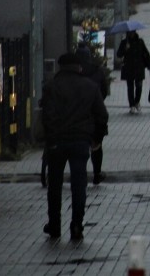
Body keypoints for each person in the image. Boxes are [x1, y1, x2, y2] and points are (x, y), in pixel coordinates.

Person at [41, 52, 108, 241]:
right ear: (79, 68)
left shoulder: (51, 87)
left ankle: (54, 225)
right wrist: (96, 138)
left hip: (57, 142)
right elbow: (102, 115)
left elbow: (46, 116)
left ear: (61, 67)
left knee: (55, 185)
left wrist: (50, 138)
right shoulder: (90, 87)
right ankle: (77, 224)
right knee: (79, 185)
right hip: (80, 141)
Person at [76, 42, 109, 184]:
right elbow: (105, 91)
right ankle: (97, 173)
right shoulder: (98, 71)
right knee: (96, 145)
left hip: (77, 115)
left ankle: (80, 173)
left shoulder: (75, 72)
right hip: (95, 113)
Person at [117, 30, 150, 114]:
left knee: (139, 86)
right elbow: (118, 54)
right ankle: (132, 105)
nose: (131, 34)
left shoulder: (140, 42)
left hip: (139, 67)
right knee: (130, 87)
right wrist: (125, 49)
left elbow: (146, 54)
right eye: (130, 33)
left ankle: (137, 102)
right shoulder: (124, 42)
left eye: (133, 32)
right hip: (128, 68)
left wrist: (149, 66)